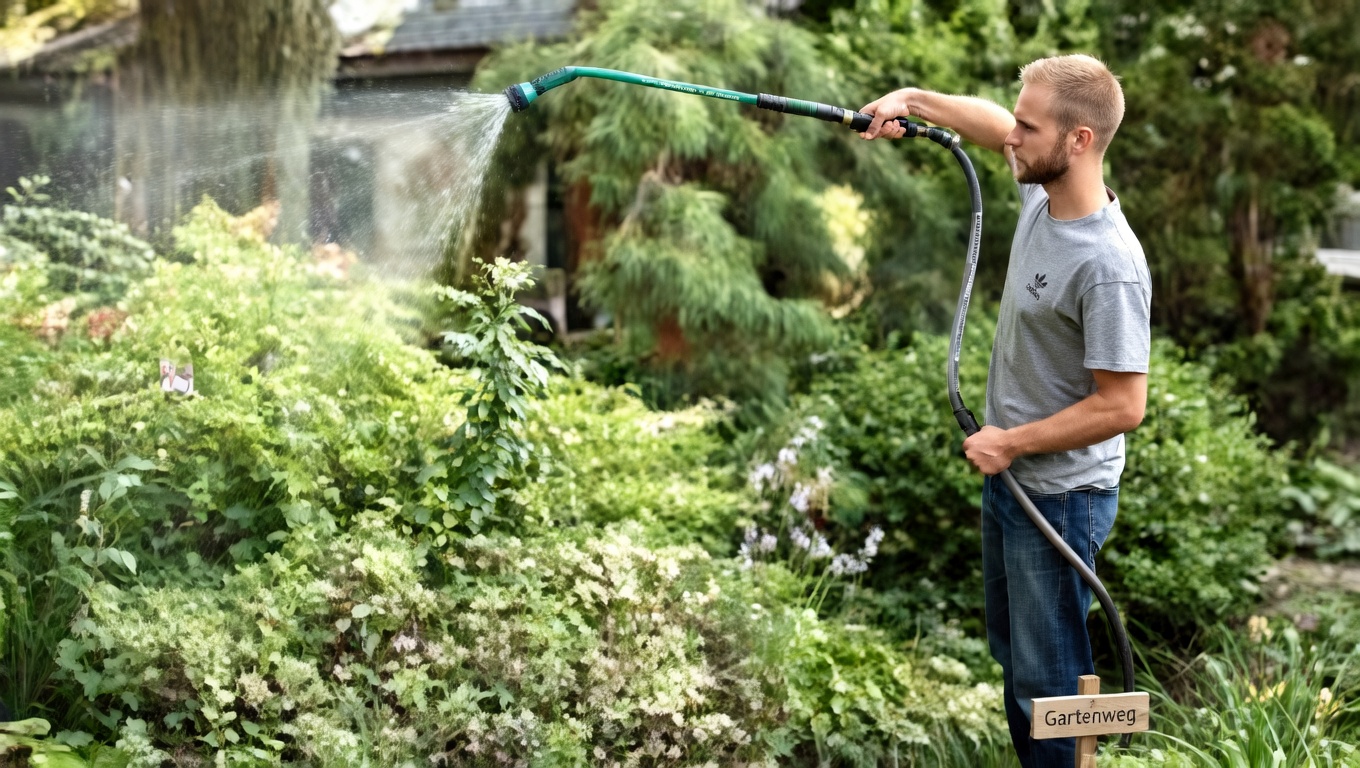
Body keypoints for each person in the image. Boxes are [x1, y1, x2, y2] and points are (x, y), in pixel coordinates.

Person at [858, 54, 1151, 767]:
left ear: (1078, 140)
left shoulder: (1107, 265)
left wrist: (1011, 443)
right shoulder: (1041, 196)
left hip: (1061, 495)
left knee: (1047, 689)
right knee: (1017, 663)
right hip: (1014, 480)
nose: (1011, 137)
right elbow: (993, 126)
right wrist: (912, 99)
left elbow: (1122, 406)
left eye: (1029, 126)